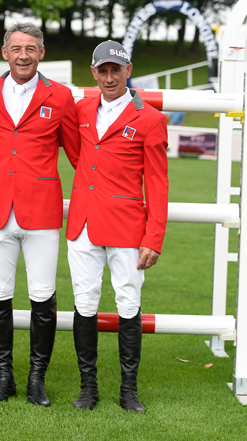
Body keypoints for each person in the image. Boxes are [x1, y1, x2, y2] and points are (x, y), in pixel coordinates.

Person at [0, 22, 77, 406]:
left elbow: (80, 156)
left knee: (42, 299)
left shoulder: (61, 96)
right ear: (5, 52)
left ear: (42, 53)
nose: (24, 55)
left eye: (31, 48)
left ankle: (36, 379)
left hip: (42, 213)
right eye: (17, 48)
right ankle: (4, 378)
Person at [62, 40, 169, 413]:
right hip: (84, 225)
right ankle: (87, 387)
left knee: (129, 304)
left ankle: (128, 390)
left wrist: (153, 236)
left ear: (129, 70)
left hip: (127, 228)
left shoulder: (151, 119)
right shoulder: (80, 110)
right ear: (93, 73)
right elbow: (79, 157)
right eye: (103, 70)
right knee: (85, 303)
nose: (109, 77)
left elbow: (157, 183)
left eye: (116, 70)